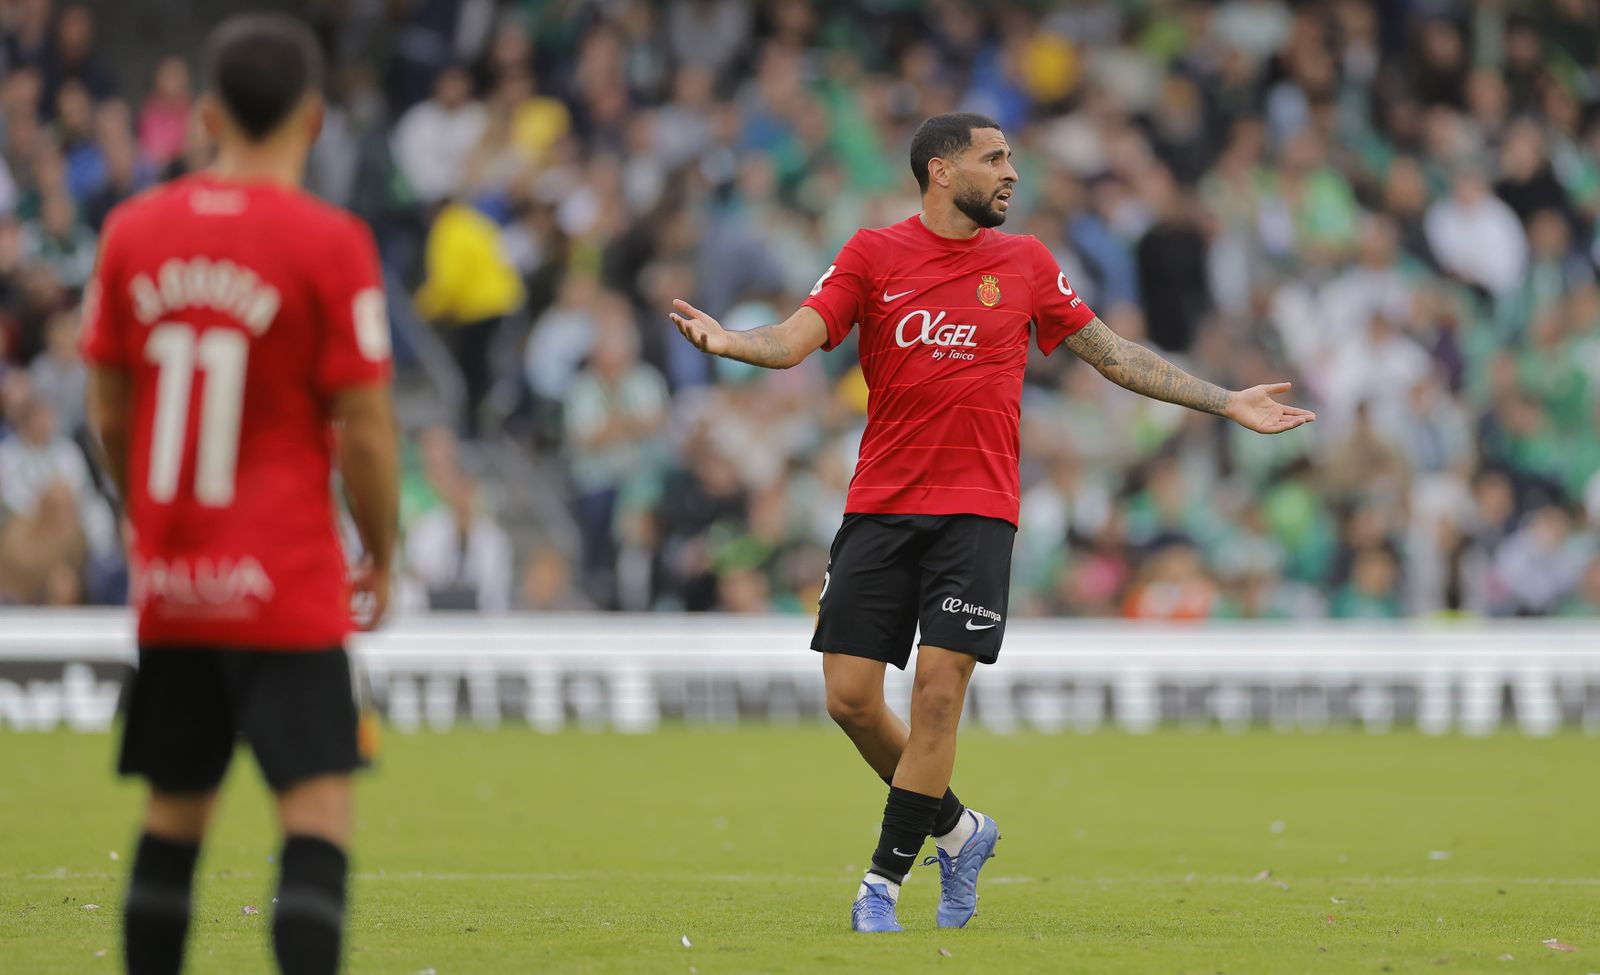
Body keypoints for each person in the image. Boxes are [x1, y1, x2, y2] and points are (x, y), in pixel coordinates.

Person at [668, 112, 1314, 933]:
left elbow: (1116, 355)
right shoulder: (873, 254)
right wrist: (730, 342)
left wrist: (1226, 400)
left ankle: (881, 885)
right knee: (850, 699)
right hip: (880, 506)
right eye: (993, 158)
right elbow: (798, 339)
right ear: (941, 171)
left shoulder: (1027, 262)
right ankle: (961, 830)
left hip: (977, 512)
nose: (1012, 172)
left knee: (938, 696)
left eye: (1010, 157)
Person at [81, 15, 399, 975]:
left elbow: (106, 411)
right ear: (313, 119)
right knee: (316, 811)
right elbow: (367, 432)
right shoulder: (329, 241)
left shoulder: (133, 232)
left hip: (178, 582)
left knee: (174, 814)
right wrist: (380, 553)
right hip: (288, 580)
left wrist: (150, 523)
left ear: (207, 113)